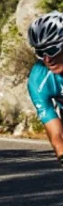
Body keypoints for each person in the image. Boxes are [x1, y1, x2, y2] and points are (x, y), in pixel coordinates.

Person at [27, 11, 63, 165]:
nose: (47, 59)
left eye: (53, 50)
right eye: (41, 53)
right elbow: (56, 135)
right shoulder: (38, 80)